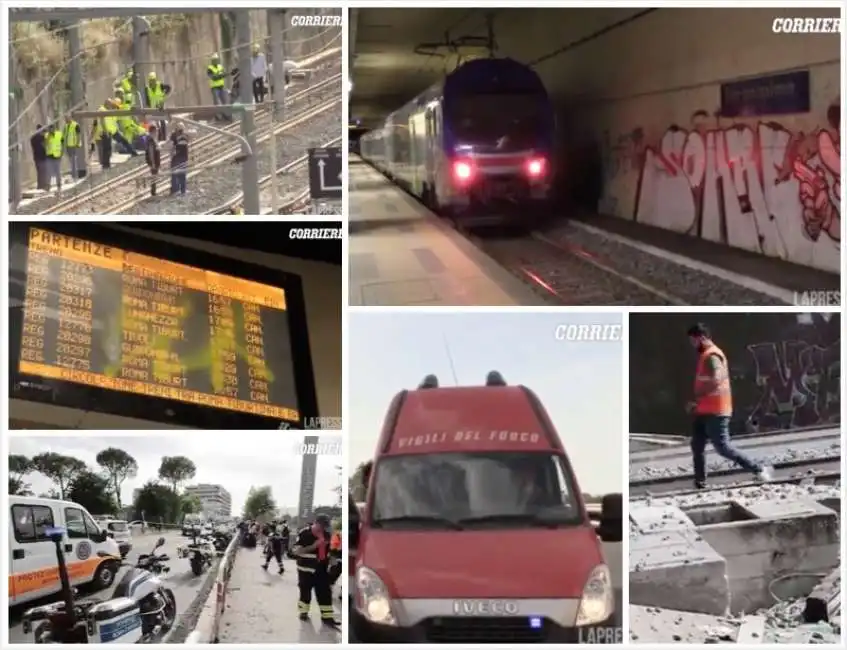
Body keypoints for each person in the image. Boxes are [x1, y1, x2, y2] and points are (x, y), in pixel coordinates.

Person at [686, 322, 773, 488]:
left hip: (716, 411)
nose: (693, 345)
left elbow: (717, 379)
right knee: (697, 446)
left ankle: (759, 469)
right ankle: (700, 482)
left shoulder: (712, 356)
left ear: (702, 338)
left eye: (693, 341)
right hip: (703, 410)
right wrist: (696, 403)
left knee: (723, 448)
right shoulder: (705, 355)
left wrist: (700, 394)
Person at [291, 514, 338, 627]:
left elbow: (330, 550)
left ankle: (328, 618)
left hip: (321, 569)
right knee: (305, 592)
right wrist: (313, 546)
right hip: (306, 569)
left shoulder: (327, 534)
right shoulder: (305, 533)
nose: (323, 528)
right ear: (316, 523)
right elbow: (296, 551)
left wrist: (332, 558)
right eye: (322, 525)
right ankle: (303, 612)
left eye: (325, 526)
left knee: (325, 593)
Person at [144, 71, 172, 140]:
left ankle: (164, 137)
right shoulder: (147, 89)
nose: (152, 82)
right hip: (153, 108)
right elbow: (147, 99)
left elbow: (169, 88)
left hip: (161, 106)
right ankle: (159, 138)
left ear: (155, 80)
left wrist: (164, 95)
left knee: (162, 122)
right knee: (156, 123)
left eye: (153, 80)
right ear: (149, 81)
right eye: (151, 80)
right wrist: (149, 106)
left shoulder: (160, 85)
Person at [169, 122, 189, 195]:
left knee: (175, 174)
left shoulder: (173, 135)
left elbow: (171, 146)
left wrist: (171, 155)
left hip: (175, 157)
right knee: (182, 174)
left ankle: (175, 190)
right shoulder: (184, 136)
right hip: (182, 157)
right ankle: (182, 191)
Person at [207, 53, 229, 120]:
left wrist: (221, 75)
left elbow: (224, 74)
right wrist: (220, 75)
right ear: (212, 60)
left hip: (221, 86)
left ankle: (226, 115)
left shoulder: (220, 66)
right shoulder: (210, 68)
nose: (216, 61)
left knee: (224, 101)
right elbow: (213, 77)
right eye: (214, 60)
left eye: (216, 60)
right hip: (214, 88)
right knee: (217, 102)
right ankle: (218, 116)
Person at [43, 123, 64, 192]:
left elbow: (62, 144)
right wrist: (48, 136)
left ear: (54, 129)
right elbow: (45, 144)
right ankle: (48, 186)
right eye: (50, 129)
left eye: (52, 128)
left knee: (58, 172)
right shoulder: (46, 135)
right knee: (48, 172)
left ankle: (59, 185)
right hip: (49, 156)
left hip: (57, 155)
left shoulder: (59, 134)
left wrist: (62, 152)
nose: (51, 130)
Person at [62, 115, 82, 181]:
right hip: (68, 146)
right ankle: (74, 175)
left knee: (73, 161)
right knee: (71, 161)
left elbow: (79, 135)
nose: (66, 120)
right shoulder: (66, 126)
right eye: (65, 119)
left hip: (74, 145)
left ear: (70, 118)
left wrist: (77, 143)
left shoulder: (76, 125)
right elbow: (64, 135)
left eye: (66, 119)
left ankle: (75, 176)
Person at [144, 124, 162, 196]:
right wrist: (153, 163)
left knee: (154, 176)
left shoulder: (152, 139)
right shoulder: (151, 140)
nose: (157, 132)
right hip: (153, 162)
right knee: (154, 176)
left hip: (154, 161)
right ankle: (153, 192)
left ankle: (153, 191)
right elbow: (151, 152)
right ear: (153, 132)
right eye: (156, 131)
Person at [30, 124, 48, 190]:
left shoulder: (33, 138)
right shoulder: (42, 138)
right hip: (42, 157)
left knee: (39, 172)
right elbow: (45, 145)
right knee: (44, 172)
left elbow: (33, 146)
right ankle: (43, 186)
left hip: (36, 157)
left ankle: (40, 186)